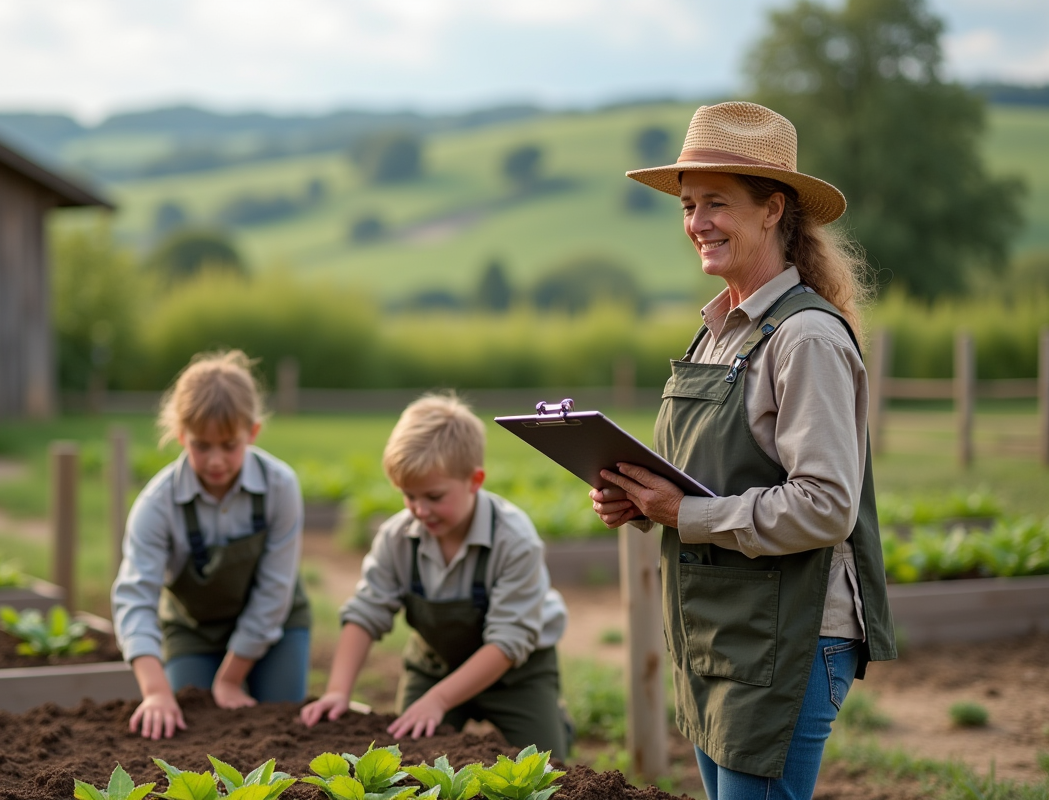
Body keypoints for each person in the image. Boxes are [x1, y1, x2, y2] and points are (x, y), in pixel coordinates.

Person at [589, 102, 897, 800]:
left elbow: (824, 508)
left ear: (772, 210)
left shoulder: (806, 339)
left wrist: (683, 514)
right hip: (720, 632)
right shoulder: (718, 331)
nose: (696, 222)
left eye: (717, 203)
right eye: (689, 205)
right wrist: (639, 500)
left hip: (788, 637)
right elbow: (711, 479)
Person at [300, 394, 570, 756]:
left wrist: (438, 701)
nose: (420, 510)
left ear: (475, 480)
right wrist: (337, 691)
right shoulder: (397, 537)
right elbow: (366, 613)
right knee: (408, 760)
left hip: (517, 674)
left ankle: (555, 722)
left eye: (434, 496)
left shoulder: (515, 539)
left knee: (545, 767)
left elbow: (509, 641)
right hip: (433, 668)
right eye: (409, 496)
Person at [111, 350, 310, 740]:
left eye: (229, 445)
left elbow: (274, 591)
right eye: (201, 445)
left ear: (251, 433)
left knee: (281, 727)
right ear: (182, 435)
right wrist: (155, 692)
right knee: (190, 727)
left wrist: (232, 678)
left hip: (276, 624)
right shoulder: (157, 504)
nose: (216, 460)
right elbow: (135, 598)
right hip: (193, 629)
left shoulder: (279, 487)